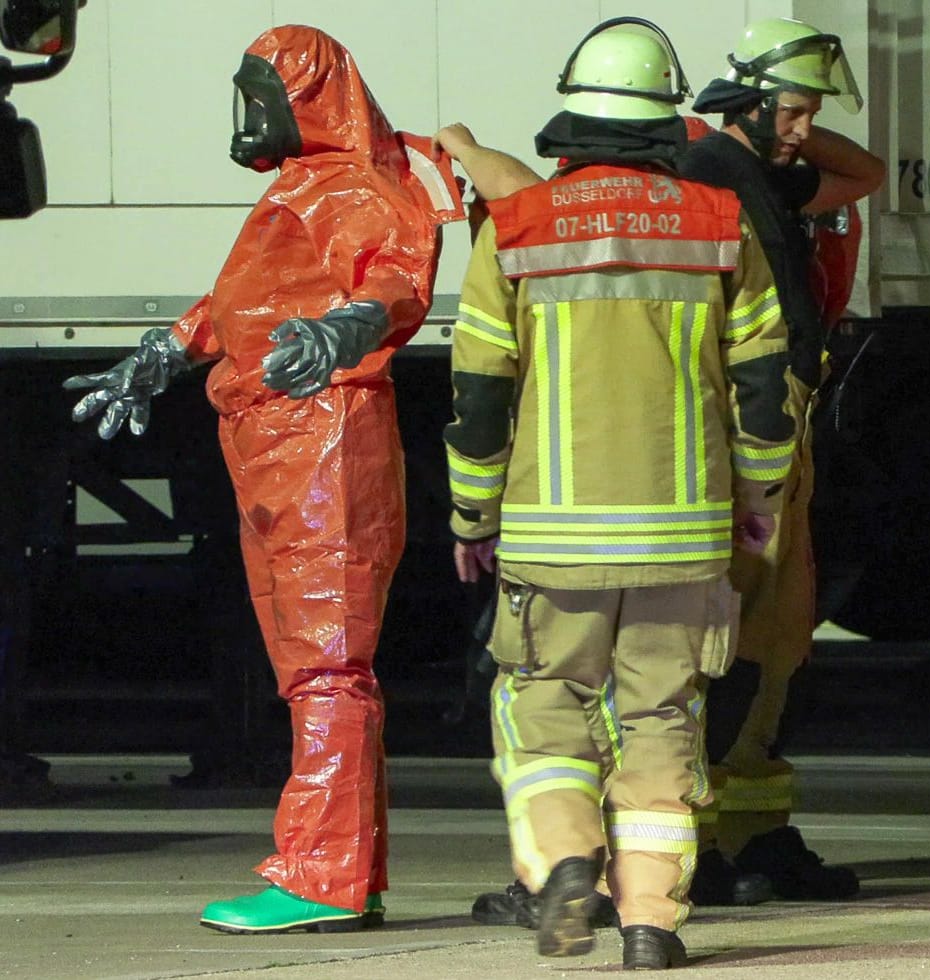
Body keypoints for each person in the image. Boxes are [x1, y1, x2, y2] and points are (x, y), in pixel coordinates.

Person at [63, 26, 463, 932]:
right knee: (311, 664)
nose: (247, 117)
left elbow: (399, 277)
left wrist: (347, 331)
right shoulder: (305, 189)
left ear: (304, 99)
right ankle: (341, 872)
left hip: (324, 438)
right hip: (277, 437)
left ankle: (319, 878)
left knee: (325, 664)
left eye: (258, 95)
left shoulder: (360, 187)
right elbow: (239, 302)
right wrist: (160, 356)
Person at [442, 17, 796, 968]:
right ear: (661, 124)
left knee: (546, 706)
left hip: (549, 540)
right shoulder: (722, 228)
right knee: (662, 722)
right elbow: (763, 384)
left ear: (571, 121)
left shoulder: (512, 231)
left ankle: (565, 863)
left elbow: (478, 396)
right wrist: (760, 495)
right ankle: (649, 925)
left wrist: (472, 515)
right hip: (684, 537)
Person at [677, 15, 881, 905]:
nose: (804, 132)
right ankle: (699, 841)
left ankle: (756, 835)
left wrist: (783, 114)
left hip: (783, 432)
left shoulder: (760, 171)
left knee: (778, 642)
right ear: (749, 103)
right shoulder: (706, 173)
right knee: (727, 646)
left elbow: (861, 175)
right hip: (740, 439)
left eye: (807, 115)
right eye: (792, 113)